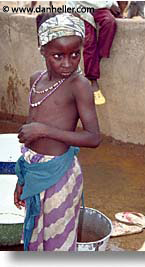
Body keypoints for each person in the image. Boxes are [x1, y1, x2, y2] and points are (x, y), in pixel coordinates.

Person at [14, 13, 101, 251]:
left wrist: (45, 131)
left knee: (57, 241)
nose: (68, 63)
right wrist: (22, 179)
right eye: (57, 55)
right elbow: (30, 137)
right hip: (34, 169)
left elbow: (93, 137)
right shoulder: (36, 79)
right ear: (42, 50)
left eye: (75, 54)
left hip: (59, 175)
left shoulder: (79, 85)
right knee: (35, 234)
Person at [67, 0, 119, 105]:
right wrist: (70, 9)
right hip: (82, 9)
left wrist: (113, 4)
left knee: (110, 22)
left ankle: (96, 58)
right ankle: (92, 79)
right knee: (89, 41)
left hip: (100, 8)